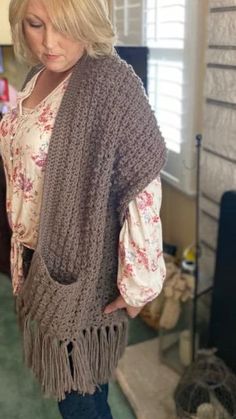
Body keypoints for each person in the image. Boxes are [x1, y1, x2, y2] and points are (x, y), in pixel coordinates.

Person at [0, 0, 167, 418]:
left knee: (81, 400)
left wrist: (138, 285)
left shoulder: (110, 81)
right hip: (37, 258)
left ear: (89, 22)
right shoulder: (40, 74)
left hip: (81, 269)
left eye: (66, 27)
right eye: (36, 25)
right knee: (75, 394)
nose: (49, 42)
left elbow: (142, 185)